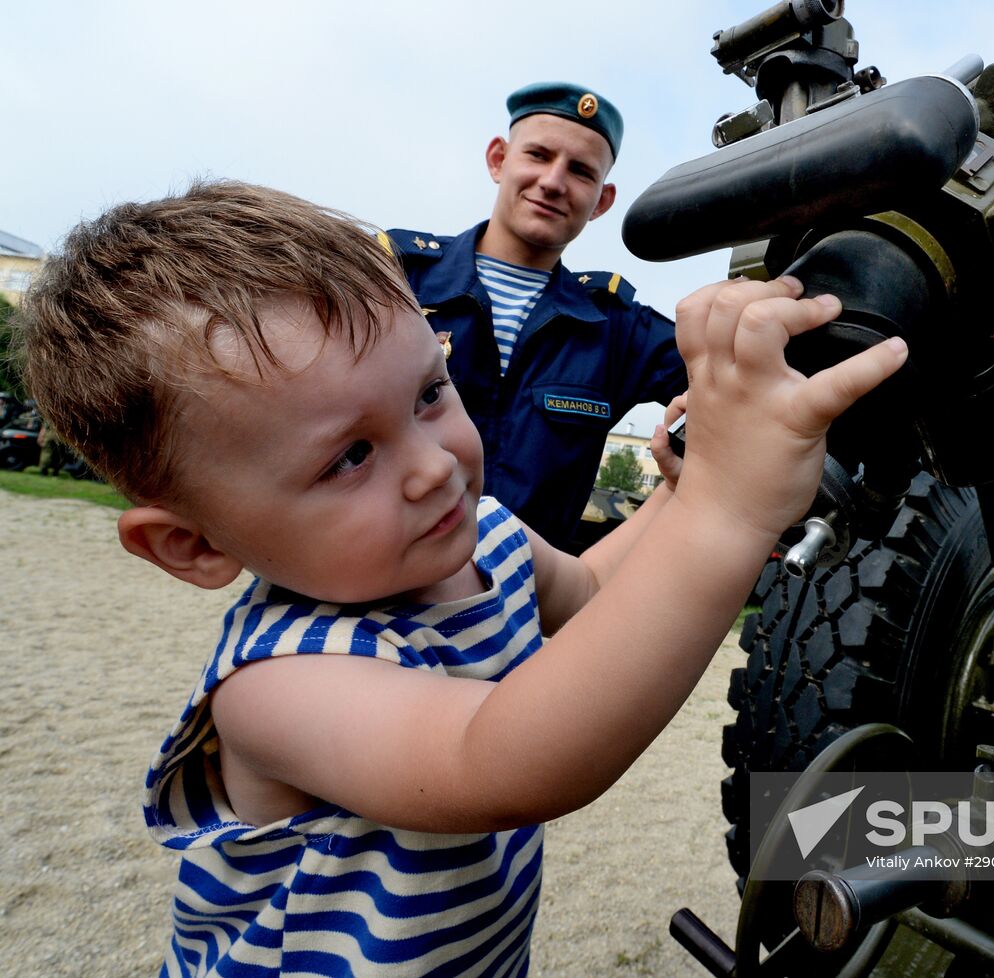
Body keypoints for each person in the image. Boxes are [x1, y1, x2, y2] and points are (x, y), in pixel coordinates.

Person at [17, 180, 907, 977]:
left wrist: (686, 487)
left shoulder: (481, 534)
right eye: (350, 457)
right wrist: (729, 513)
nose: (435, 467)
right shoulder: (276, 686)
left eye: (430, 395)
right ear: (193, 545)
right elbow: (500, 760)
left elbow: (593, 598)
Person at [387, 82, 686, 550]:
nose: (553, 181)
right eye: (539, 155)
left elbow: (739, 376)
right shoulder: (393, 277)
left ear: (602, 202)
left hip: (519, 607)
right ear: (498, 159)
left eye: (581, 172)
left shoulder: (617, 329)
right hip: (368, 592)